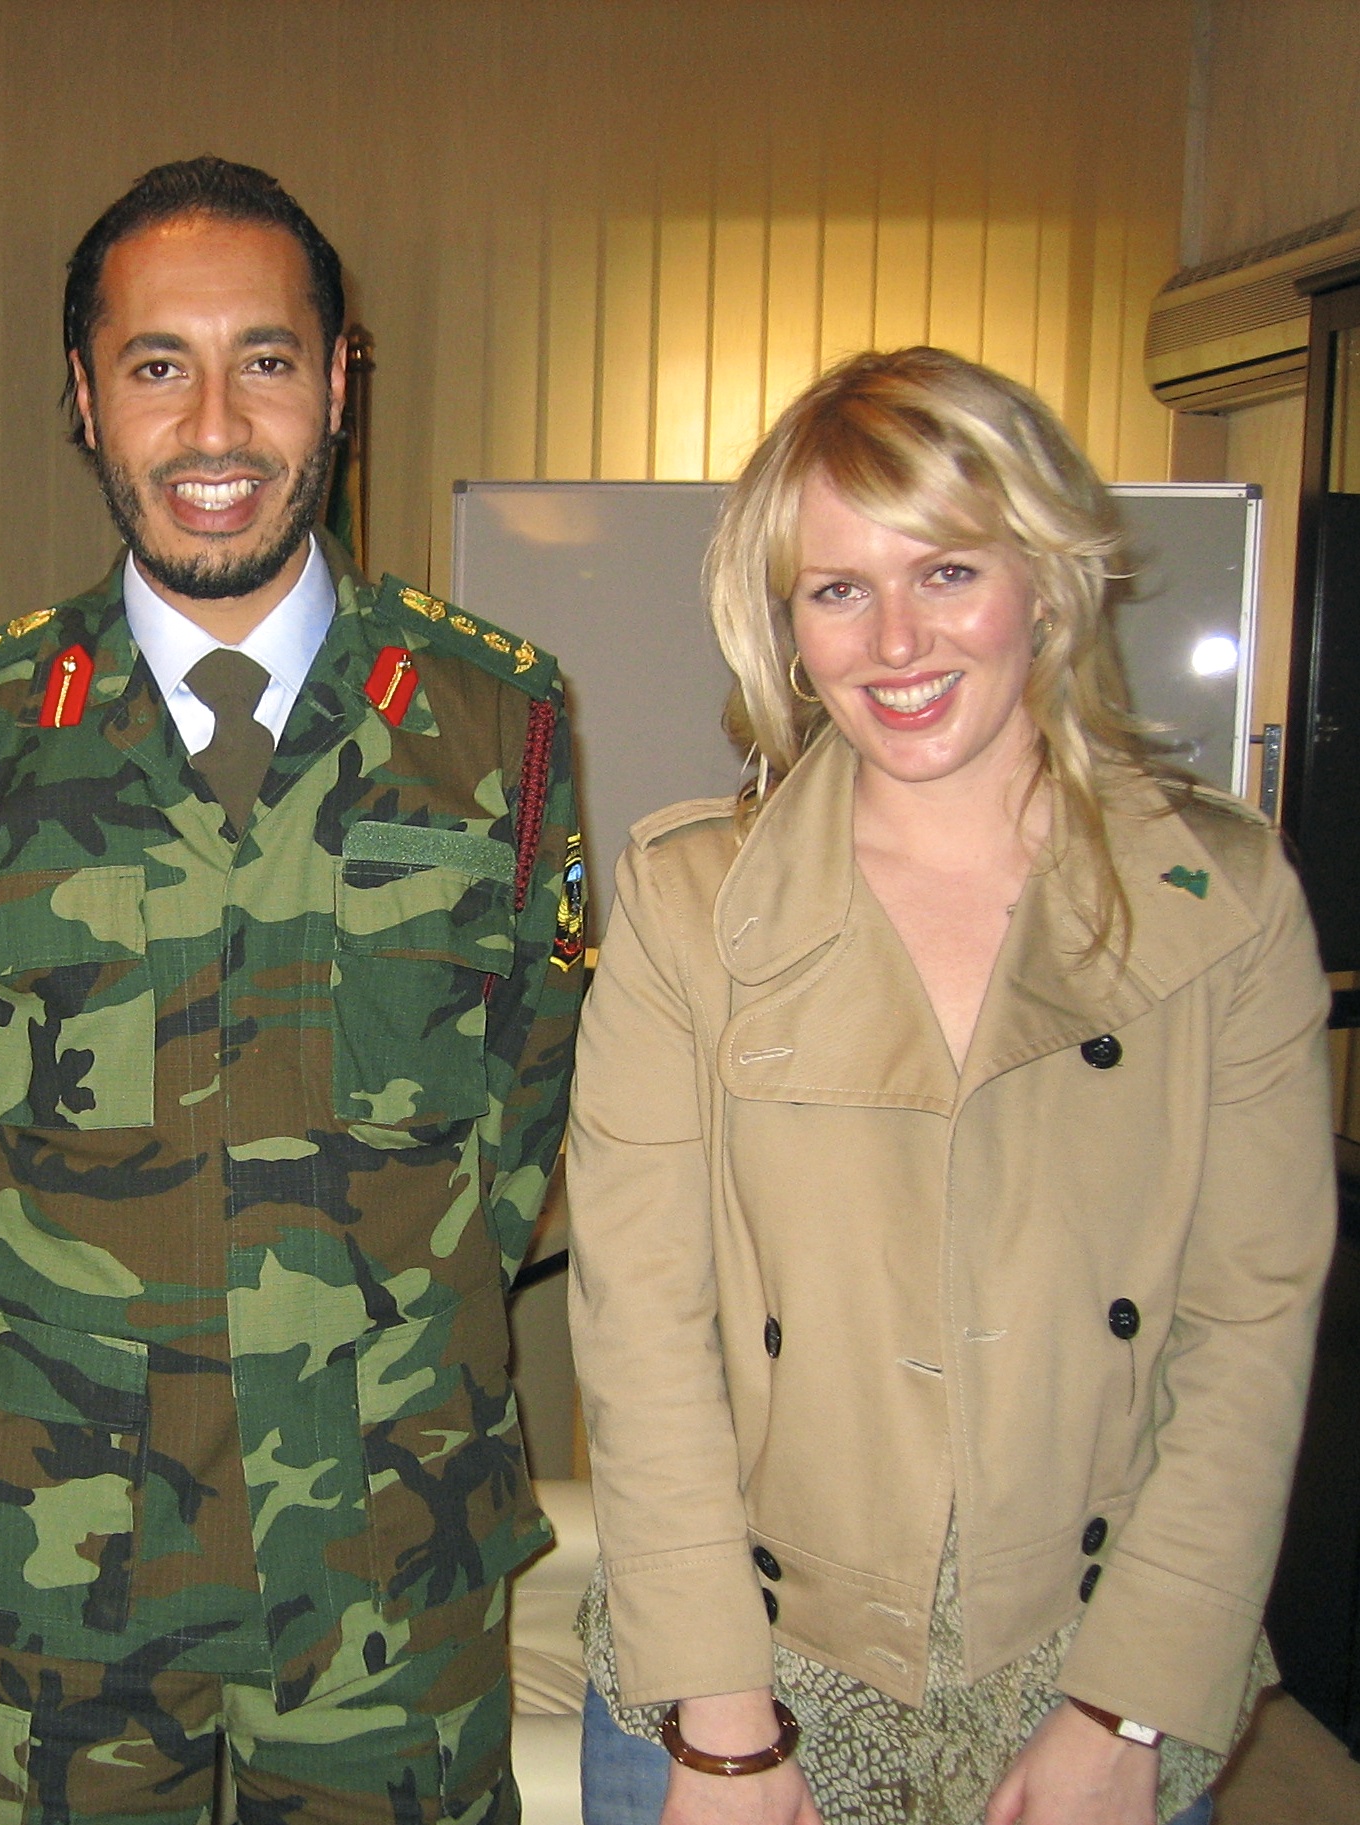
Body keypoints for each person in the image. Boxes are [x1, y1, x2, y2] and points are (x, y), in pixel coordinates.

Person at [0, 156, 583, 1825]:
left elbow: (520, 1130)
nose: (215, 426)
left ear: (342, 376)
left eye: (266, 359)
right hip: (54, 1575)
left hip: (388, 1563)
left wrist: (348, 1351)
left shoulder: (498, 725)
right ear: (83, 394)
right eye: (157, 365)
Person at [567, 347, 1335, 1825]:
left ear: (1044, 578)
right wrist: (727, 1734)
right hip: (745, 1674)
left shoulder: (1222, 901)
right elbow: (643, 1330)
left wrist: (1126, 1706)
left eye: (948, 571)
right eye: (838, 588)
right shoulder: (688, 905)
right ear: (786, 625)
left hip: (1091, 1671)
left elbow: (1249, 1328)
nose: (895, 640)